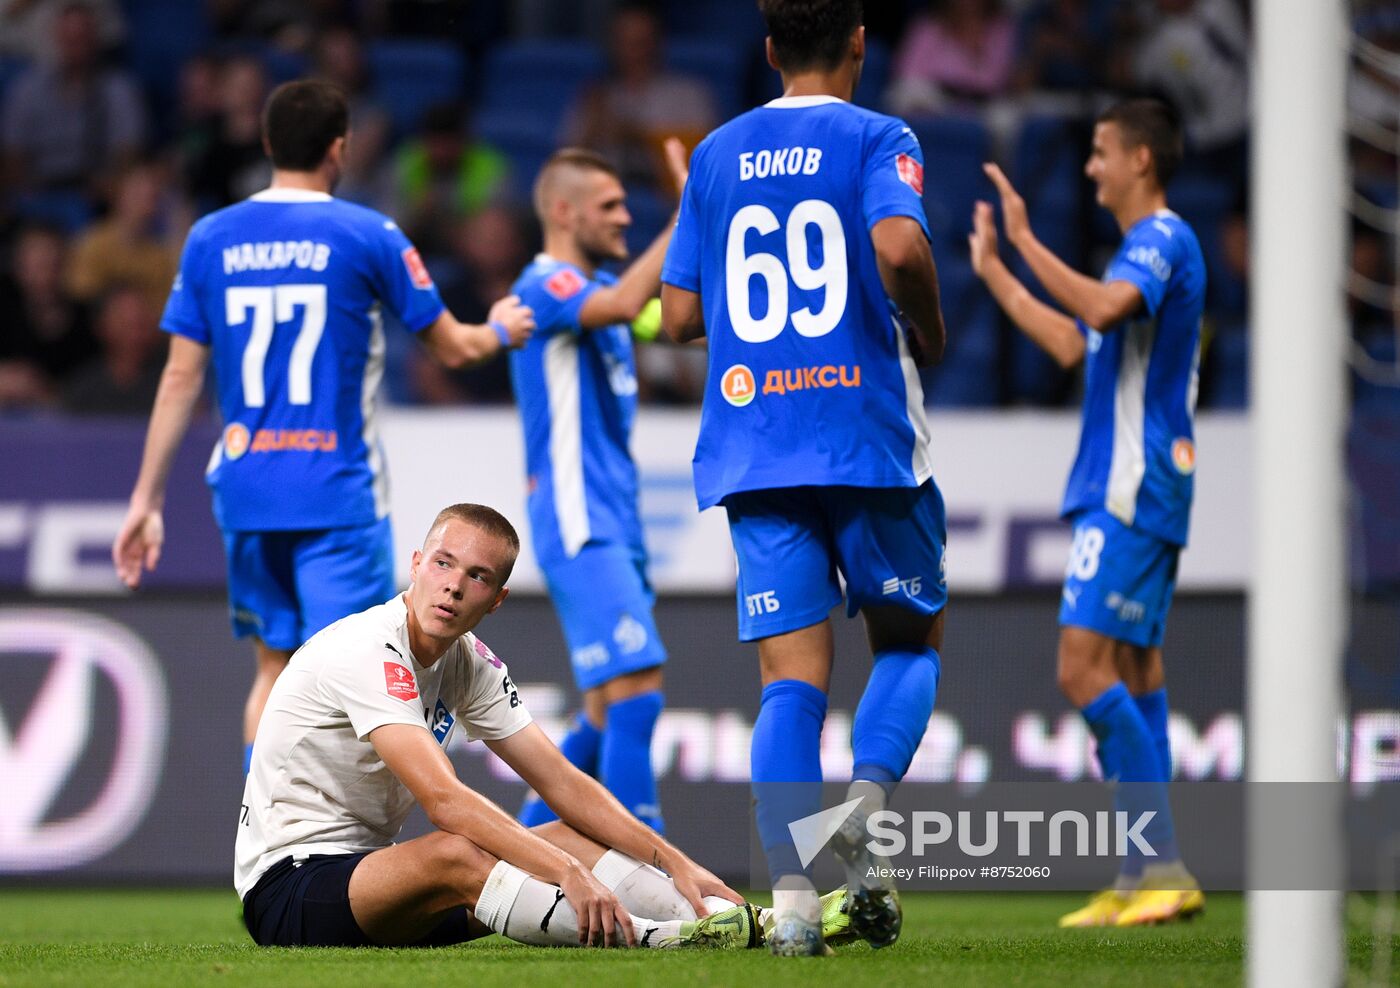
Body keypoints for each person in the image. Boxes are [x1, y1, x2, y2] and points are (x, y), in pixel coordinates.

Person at [112, 80, 535, 773]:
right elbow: (454, 347)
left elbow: (181, 378)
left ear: (269, 143)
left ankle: (263, 846)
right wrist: (501, 329)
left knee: (273, 669)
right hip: (335, 492)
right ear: (339, 148)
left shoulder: (210, 237)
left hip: (246, 489)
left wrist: (145, 500)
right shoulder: (368, 233)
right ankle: (338, 856)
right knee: (358, 673)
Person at [660, 0, 949, 956]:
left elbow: (674, 317)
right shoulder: (879, 134)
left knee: (789, 680)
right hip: (864, 434)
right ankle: (865, 804)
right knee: (910, 640)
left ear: (771, 48)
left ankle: (788, 906)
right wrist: (932, 328)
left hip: (756, 443)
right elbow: (900, 247)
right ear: (862, 43)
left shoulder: (716, 154)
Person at [235, 503, 764, 950]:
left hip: (376, 880)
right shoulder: (367, 648)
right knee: (455, 850)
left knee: (567, 837)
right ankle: (664, 938)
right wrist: (564, 873)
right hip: (289, 889)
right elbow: (444, 802)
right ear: (416, 565)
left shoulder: (469, 662)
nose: (453, 588)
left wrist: (676, 863)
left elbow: (560, 781)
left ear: (497, 599)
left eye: (478, 576)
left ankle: (741, 922)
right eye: (443, 564)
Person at [967, 98, 1206, 926]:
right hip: (1137, 483)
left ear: (1141, 159)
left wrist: (1029, 242)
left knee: (1081, 668)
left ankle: (1162, 862)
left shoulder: (1160, 241)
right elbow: (1077, 343)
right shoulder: (1140, 256)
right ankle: (1146, 872)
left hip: (1130, 488)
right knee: (1136, 673)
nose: (1091, 167)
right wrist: (998, 273)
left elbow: (1100, 312)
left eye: (1102, 152)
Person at [509, 144, 688, 835]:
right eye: (609, 206)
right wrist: (685, 214)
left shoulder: (601, 301)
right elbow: (621, 300)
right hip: (579, 519)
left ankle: (513, 853)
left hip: (616, 517)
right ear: (563, 211)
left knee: (604, 709)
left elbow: (674, 320)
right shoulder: (545, 288)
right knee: (637, 693)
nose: (624, 218)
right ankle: (659, 870)